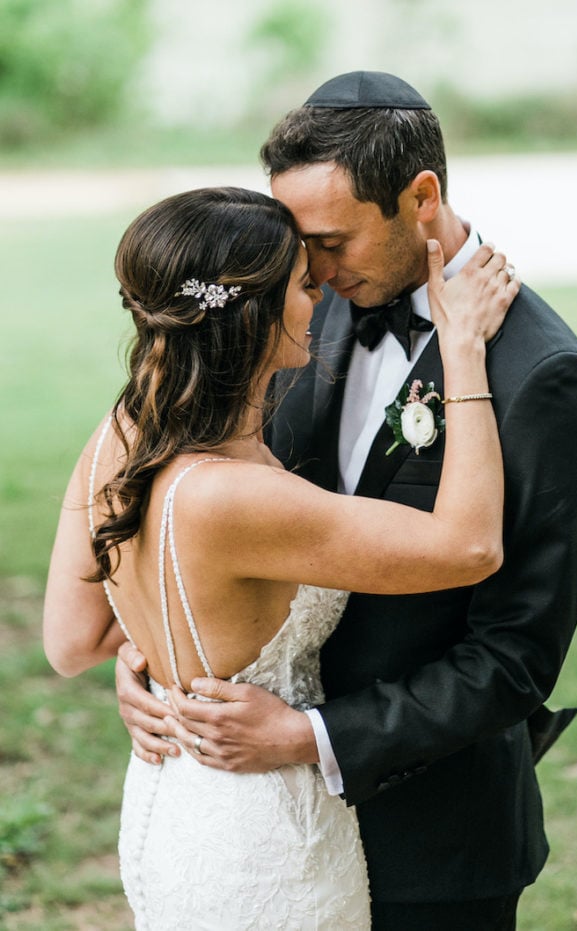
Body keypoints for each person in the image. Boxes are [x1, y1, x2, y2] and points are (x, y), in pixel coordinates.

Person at [115, 73, 577, 930]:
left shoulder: (540, 376)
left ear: (422, 198)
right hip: (265, 831)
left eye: (330, 240)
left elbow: (515, 656)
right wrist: (160, 656)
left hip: (434, 839)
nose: (309, 268)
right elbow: (209, 503)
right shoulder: (301, 311)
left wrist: (311, 737)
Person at [43, 184, 519, 929]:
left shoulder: (120, 433)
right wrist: (461, 353)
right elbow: (469, 546)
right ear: (255, 318)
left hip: (171, 811)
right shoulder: (235, 496)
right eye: (303, 282)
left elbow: (73, 641)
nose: (321, 292)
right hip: (262, 842)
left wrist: (161, 664)